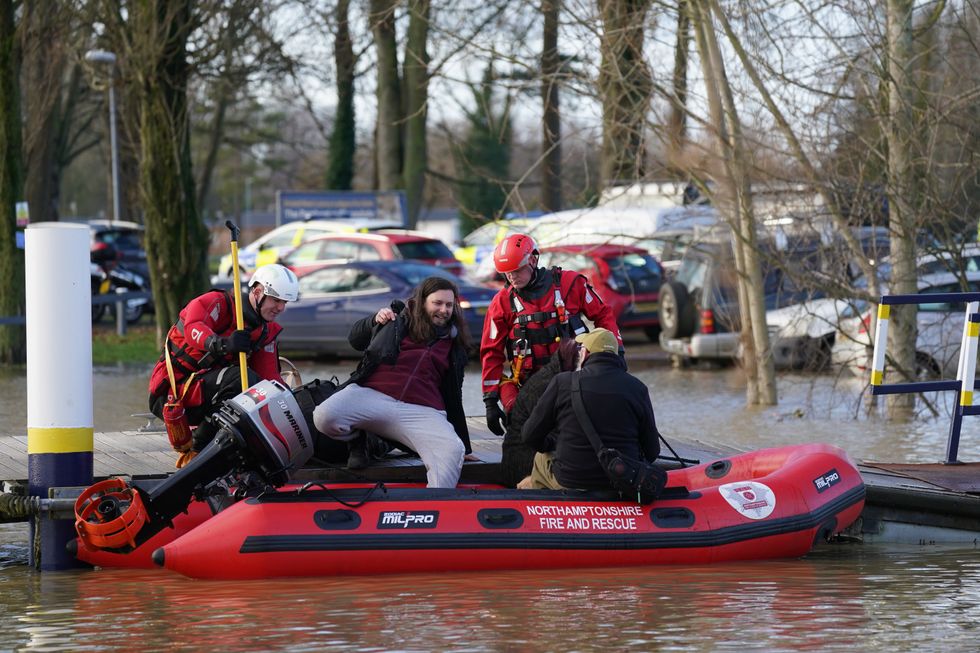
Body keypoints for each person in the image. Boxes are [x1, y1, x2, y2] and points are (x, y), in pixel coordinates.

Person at [312, 276, 471, 488]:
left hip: (422, 409)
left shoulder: (454, 343)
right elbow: (355, 340)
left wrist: (464, 445)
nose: (444, 310)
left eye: (449, 305)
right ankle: (361, 439)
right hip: (373, 394)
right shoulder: (397, 320)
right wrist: (373, 321)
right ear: (422, 302)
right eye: (437, 303)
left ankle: (433, 507)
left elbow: (454, 395)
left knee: (453, 450)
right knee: (324, 416)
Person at [148, 264, 299, 465]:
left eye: (284, 302)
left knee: (263, 391)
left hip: (208, 394)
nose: (281, 308)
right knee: (239, 377)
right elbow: (194, 327)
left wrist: (294, 405)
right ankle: (197, 448)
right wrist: (223, 344)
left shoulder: (264, 332)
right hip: (173, 394)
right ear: (257, 291)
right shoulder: (217, 303)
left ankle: (233, 455)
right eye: (276, 300)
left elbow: (270, 379)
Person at [480, 232, 623, 435]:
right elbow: (490, 352)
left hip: (576, 379)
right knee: (522, 429)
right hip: (530, 386)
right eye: (506, 272)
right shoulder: (501, 303)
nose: (512, 276)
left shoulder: (570, 284)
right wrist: (490, 401)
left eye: (517, 270)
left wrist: (615, 352)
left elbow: (603, 314)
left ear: (533, 260)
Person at [521, 328, 661, 491]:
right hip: (622, 481)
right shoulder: (638, 388)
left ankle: (542, 509)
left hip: (571, 480)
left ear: (585, 354)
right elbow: (652, 451)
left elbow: (529, 435)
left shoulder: (563, 382)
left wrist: (552, 444)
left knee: (541, 457)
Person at [498, 338, 578, 488]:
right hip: (522, 464)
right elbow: (536, 435)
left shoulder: (561, 377)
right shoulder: (544, 386)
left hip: (534, 453)